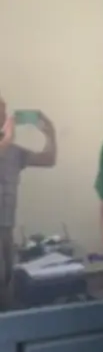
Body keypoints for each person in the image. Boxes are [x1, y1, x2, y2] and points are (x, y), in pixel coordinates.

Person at [0, 99, 57, 311]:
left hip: (6, 229)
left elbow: (48, 160)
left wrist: (50, 134)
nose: (5, 118)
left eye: (4, 113)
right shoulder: (6, 145)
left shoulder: (13, 151)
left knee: (7, 287)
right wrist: (7, 139)